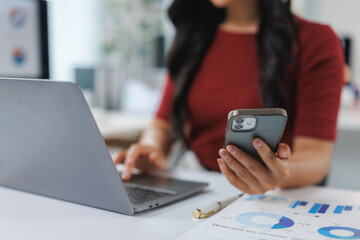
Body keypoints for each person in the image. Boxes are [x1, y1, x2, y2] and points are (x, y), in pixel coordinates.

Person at [115, 0, 344, 194]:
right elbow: (161, 125)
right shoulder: (193, 35)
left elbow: (316, 155)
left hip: (275, 200)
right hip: (201, 190)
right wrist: (151, 147)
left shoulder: (316, 40)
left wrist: (279, 173)